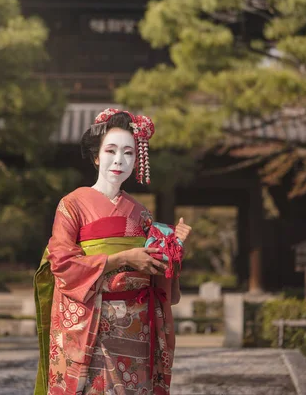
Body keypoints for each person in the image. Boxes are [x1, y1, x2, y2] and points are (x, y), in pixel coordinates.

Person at [34, 108, 192, 395]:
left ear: (137, 160)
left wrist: (174, 247)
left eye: (129, 153)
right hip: (89, 322)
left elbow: (160, 275)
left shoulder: (141, 214)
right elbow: (62, 264)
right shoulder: (71, 205)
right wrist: (121, 259)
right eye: (111, 150)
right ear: (96, 156)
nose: (119, 160)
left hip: (136, 325)